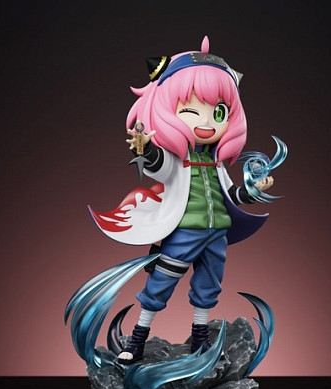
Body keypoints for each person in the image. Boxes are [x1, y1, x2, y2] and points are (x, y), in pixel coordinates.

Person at [89, 36, 274, 365]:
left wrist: (252, 189)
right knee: (160, 284)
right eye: (190, 110)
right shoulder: (179, 158)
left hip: (217, 233)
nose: (206, 122)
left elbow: (231, 195)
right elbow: (159, 167)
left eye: (218, 112)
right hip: (184, 231)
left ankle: (200, 340)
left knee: (208, 286)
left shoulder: (216, 162)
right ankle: (137, 340)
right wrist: (146, 148)